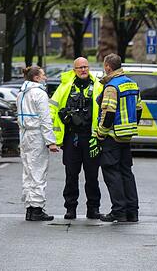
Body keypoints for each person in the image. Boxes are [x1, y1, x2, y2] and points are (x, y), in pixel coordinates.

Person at [50, 57, 103, 220]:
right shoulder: (64, 87)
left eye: (86, 67)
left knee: (92, 176)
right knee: (71, 175)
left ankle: (93, 208)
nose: (83, 70)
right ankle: (70, 208)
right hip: (72, 138)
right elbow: (53, 109)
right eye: (80, 67)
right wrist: (54, 136)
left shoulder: (99, 86)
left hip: (91, 137)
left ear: (90, 68)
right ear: (74, 70)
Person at [97, 53, 142, 223]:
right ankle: (132, 212)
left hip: (112, 136)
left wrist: (101, 133)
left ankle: (118, 211)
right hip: (126, 135)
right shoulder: (132, 83)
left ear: (108, 67)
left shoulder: (111, 87)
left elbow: (108, 113)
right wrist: (130, 127)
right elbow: (138, 109)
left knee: (112, 173)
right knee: (126, 172)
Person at [17, 65, 59, 221]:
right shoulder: (39, 94)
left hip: (24, 135)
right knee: (38, 171)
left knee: (28, 171)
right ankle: (37, 209)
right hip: (36, 136)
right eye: (43, 75)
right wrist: (51, 142)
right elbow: (45, 120)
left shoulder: (21, 93)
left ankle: (29, 207)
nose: (45, 77)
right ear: (36, 78)